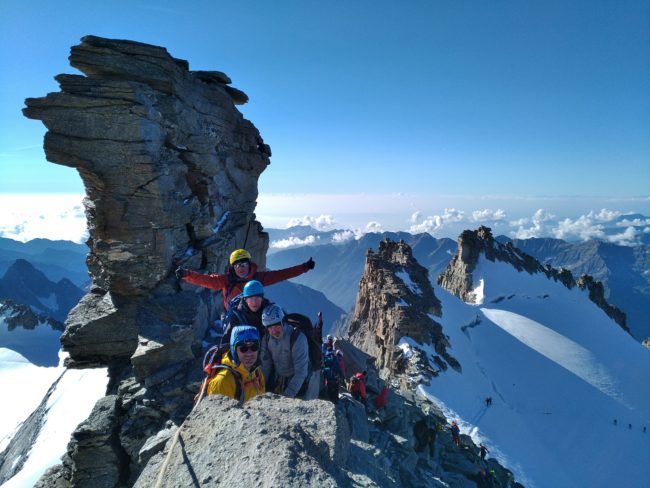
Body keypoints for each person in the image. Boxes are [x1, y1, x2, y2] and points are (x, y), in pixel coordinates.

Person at [176, 248, 315, 309]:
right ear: (232, 268)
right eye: (237, 265)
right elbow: (206, 280)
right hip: (234, 315)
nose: (241, 267)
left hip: (255, 311)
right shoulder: (226, 280)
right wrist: (187, 274)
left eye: (243, 264)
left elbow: (282, 274)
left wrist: (304, 267)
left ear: (249, 264)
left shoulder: (258, 277)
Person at [260, 304, 318, 399]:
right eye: (269, 327)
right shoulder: (266, 339)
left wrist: (287, 397)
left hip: (302, 381)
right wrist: (259, 389)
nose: (273, 331)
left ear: (283, 322)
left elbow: (301, 372)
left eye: (276, 325)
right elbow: (265, 366)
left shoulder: (297, 338)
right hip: (280, 378)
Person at [206, 325, 265, 402]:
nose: (249, 353)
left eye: (254, 347)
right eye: (243, 348)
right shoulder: (223, 381)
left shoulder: (256, 371)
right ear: (234, 350)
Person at [220, 280, 271, 345]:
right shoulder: (236, 316)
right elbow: (226, 342)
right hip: (245, 351)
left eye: (257, 298)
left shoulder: (270, 312)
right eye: (251, 298)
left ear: (262, 298)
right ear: (245, 300)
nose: (254, 302)